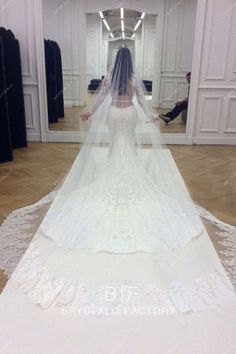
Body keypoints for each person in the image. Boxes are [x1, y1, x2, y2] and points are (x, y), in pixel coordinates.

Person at [12, 48, 235, 320]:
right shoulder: (132, 79)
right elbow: (141, 101)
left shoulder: (109, 79)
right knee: (127, 145)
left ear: (116, 61)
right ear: (130, 62)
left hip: (113, 117)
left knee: (115, 147)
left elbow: (100, 98)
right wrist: (153, 116)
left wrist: (90, 113)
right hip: (128, 115)